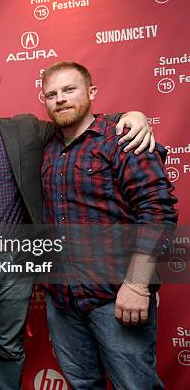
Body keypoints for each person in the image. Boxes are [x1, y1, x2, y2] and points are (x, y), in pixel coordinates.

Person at [0, 61, 155, 390]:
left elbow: (78, 121)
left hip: (14, 267)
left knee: (9, 349)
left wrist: (128, 117)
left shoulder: (25, 129)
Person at [40, 61, 177, 389]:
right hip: (63, 300)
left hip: (115, 295)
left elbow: (157, 211)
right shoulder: (47, 149)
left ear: (91, 92)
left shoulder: (121, 139)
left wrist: (138, 285)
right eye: (51, 94)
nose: (60, 99)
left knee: (135, 385)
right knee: (83, 384)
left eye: (69, 90)